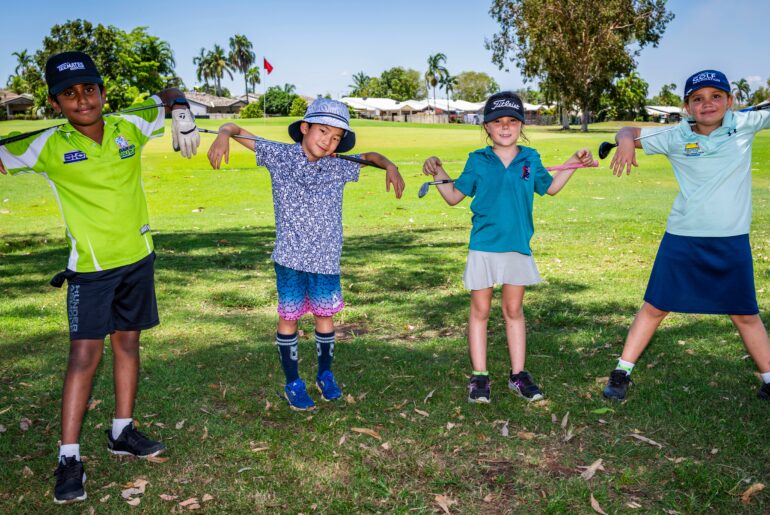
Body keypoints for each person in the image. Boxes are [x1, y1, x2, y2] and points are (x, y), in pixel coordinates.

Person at [0, 51, 200, 504]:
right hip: (90, 270)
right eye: (69, 94)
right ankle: (69, 457)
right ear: (55, 103)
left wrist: (181, 108)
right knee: (83, 358)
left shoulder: (129, 125)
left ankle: (121, 431)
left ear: (103, 93)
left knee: (128, 343)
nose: (82, 100)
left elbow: (166, 94)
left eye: (89, 89)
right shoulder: (45, 145)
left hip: (137, 258)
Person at [207, 98, 405, 411]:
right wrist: (222, 134)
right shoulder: (279, 155)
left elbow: (370, 156)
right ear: (304, 128)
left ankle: (325, 374)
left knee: (325, 316)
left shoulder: (338, 165)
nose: (328, 141)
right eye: (322, 131)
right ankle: (293, 382)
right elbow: (234, 128)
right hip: (290, 258)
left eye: (336, 137)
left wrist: (390, 166)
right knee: (289, 317)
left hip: (326, 259)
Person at [602, 69, 770, 402]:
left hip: (731, 240)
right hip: (683, 237)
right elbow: (627, 130)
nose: (707, 104)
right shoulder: (675, 135)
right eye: (698, 99)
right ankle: (622, 372)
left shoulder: (745, 124)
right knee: (655, 307)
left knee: (745, 313)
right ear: (687, 106)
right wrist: (624, 141)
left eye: (716, 96)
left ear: (730, 102)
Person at [422, 91, 594, 403]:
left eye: (512, 121)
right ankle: (480, 377)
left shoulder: (531, 158)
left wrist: (571, 162)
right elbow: (453, 196)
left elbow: (550, 187)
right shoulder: (478, 160)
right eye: (497, 122)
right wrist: (437, 170)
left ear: (521, 126)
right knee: (481, 310)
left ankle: (518, 375)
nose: (505, 127)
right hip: (484, 246)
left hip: (517, 246)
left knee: (513, 310)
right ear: (486, 127)